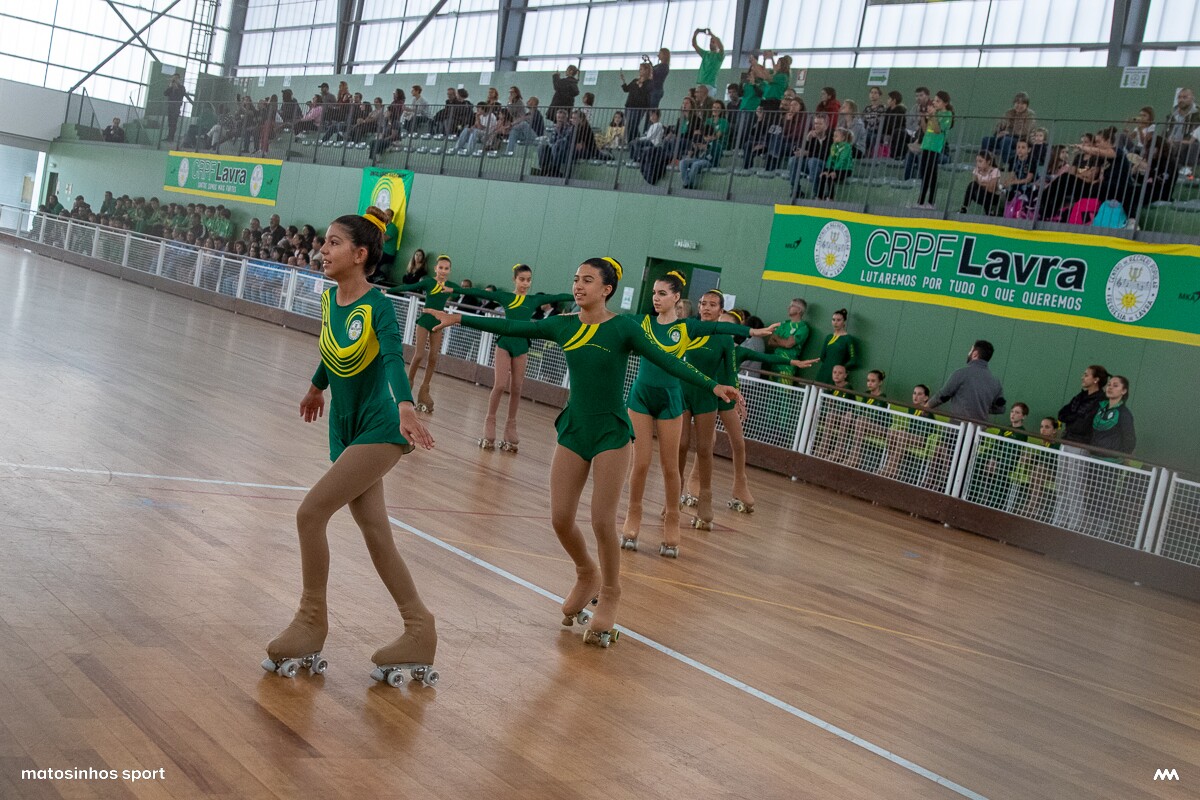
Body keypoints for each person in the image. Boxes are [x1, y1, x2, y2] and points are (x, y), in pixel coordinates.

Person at [427, 257, 743, 647]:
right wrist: (459, 319)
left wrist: (712, 386)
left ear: (606, 289)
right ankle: (585, 572)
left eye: (588, 280)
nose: (578, 285)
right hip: (574, 429)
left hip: (611, 433)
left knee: (601, 521)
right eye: (576, 279)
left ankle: (610, 592)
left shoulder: (623, 328)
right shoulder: (564, 324)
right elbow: (514, 326)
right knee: (560, 518)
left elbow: (666, 359)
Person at [262, 206, 438, 686]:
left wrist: (406, 407)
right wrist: (316, 387)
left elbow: (392, 357)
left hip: (380, 426)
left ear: (360, 255)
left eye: (334, 243)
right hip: (345, 426)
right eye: (324, 242)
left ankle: (311, 621)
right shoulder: (329, 300)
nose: (322, 249)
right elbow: (331, 349)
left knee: (310, 513)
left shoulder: (378, 305)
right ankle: (420, 629)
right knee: (376, 532)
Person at [622, 271, 774, 555]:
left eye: (662, 293)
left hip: (672, 399)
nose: (656, 298)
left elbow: (718, 330)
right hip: (641, 397)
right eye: (654, 293)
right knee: (640, 463)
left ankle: (673, 519)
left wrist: (752, 333)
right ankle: (633, 516)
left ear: (676, 297)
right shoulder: (642, 323)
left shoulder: (687, 327)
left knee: (671, 466)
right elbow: (609, 320)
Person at [678, 293, 804, 527]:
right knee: (684, 443)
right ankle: (681, 485)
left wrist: (736, 396)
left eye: (712, 305)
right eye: (703, 304)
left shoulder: (728, 343)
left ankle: (736, 484)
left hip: (717, 394)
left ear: (721, 312)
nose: (706, 308)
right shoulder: (690, 329)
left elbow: (735, 369)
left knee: (729, 442)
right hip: (688, 393)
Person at [454, 265, 574, 452]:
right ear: (514, 280)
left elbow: (557, 297)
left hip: (521, 346)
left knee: (517, 388)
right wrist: (454, 289)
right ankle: (490, 421)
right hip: (504, 344)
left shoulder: (534, 300)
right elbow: (481, 293)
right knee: (500, 385)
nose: (525, 283)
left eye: (528, 280)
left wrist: (584, 295)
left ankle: (510, 426)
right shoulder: (507, 297)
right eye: (522, 279)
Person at [392, 254, 460, 413]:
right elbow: (408, 287)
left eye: (446, 268)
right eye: (440, 267)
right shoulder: (429, 282)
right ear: (435, 268)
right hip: (425, 321)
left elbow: (465, 291)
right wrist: (388, 290)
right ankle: (407, 386)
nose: (443, 271)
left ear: (449, 270)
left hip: (438, 323)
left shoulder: (450, 286)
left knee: (434, 357)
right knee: (419, 354)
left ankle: (424, 391)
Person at [927, 340, 1006, 422]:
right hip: (979, 428)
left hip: (957, 427)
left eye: (970, 350)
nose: (968, 353)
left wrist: (926, 407)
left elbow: (943, 396)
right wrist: (983, 408)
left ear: (975, 354)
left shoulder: (961, 374)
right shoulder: (996, 382)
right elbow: (1001, 408)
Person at [798, 308, 859, 385]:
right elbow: (822, 356)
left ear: (844, 322)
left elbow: (853, 360)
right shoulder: (829, 337)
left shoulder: (848, 339)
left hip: (836, 376)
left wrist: (840, 369)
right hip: (823, 371)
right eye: (833, 320)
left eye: (838, 320)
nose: (835, 322)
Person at [915, 91, 954, 209]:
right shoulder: (935, 113)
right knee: (924, 173)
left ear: (945, 103)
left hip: (935, 146)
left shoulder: (947, 114)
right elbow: (925, 129)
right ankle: (920, 202)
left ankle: (931, 202)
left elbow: (937, 130)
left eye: (938, 101)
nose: (935, 103)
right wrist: (923, 117)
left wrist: (933, 117)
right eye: (934, 100)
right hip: (926, 144)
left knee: (931, 174)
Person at [766, 298, 809, 385]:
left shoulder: (803, 327)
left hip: (787, 366)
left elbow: (789, 344)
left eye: (792, 306)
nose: (788, 308)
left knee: (783, 392)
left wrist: (777, 338)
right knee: (769, 391)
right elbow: (770, 341)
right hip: (775, 362)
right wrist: (784, 342)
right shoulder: (784, 324)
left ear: (799, 310)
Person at [959, 150, 1002, 216]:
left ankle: (990, 212)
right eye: (977, 161)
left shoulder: (995, 171)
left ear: (988, 162)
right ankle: (964, 208)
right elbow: (974, 184)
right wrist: (986, 184)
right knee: (972, 185)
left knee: (981, 192)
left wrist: (980, 183)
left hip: (992, 196)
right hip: (979, 194)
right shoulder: (976, 170)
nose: (978, 164)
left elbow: (991, 189)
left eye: (980, 161)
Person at [692, 28, 726, 93]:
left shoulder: (719, 56)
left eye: (713, 42)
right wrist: (695, 34)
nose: (711, 44)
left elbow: (721, 47)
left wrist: (711, 34)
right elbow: (694, 45)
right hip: (700, 83)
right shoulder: (705, 54)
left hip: (710, 85)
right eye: (710, 42)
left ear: (717, 44)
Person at [163, 74, 186, 143]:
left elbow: (181, 95)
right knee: (170, 122)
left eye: (176, 78)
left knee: (174, 122)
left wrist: (177, 88)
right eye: (173, 78)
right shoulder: (171, 86)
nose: (174, 80)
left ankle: (171, 137)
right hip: (170, 106)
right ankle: (169, 136)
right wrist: (170, 87)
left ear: (179, 79)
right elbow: (165, 93)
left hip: (176, 107)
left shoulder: (182, 87)